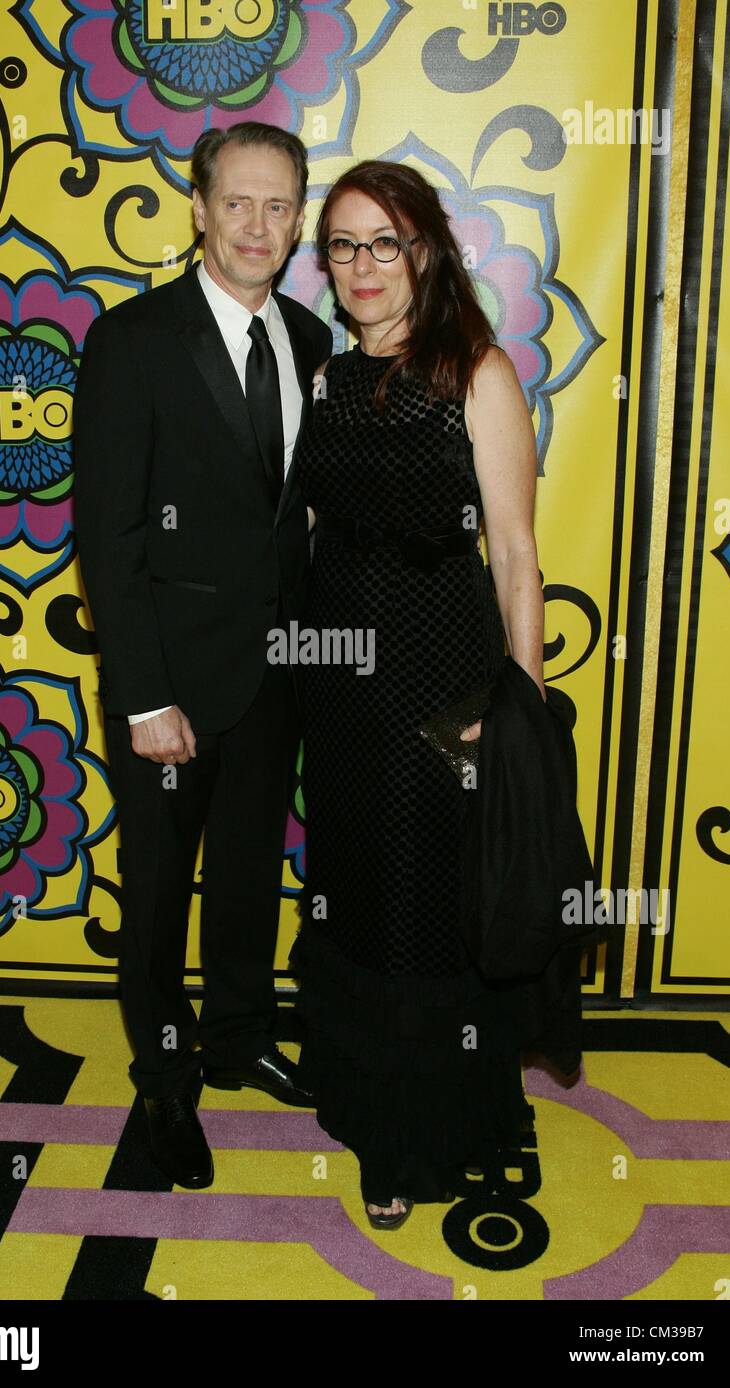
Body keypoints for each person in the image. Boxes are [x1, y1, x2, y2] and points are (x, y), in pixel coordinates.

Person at [289, 160, 583, 1228]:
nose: (363, 265)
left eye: (385, 241)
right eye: (343, 244)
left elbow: (513, 555)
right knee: (358, 890)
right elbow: (313, 535)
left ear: (426, 252)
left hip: (440, 683)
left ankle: (426, 1132)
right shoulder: (322, 378)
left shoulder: (474, 373)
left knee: (425, 904)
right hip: (340, 689)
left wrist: (521, 708)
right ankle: (372, 1108)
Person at [73, 122, 332, 1190]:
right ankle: (167, 1082)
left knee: (242, 880)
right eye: (238, 202)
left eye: (278, 206)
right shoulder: (132, 339)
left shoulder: (312, 342)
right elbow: (108, 535)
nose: (257, 226)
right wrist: (142, 699)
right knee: (156, 895)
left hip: (275, 681)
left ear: (298, 217)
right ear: (197, 205)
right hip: (168, 687)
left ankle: (237, 1035)